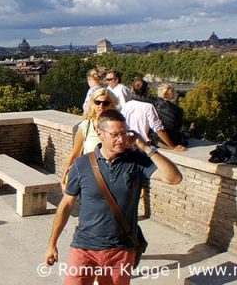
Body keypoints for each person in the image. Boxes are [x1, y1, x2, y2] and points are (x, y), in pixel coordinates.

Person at [44, 110, 182, 284]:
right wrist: (52, 244)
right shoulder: (82, 165)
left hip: (120, 250)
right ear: (100, 133)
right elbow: (65, 206)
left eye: (124, 133)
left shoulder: (137, 161)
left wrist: (146, 148)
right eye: (115, 134)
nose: (121, 139)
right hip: (84, 247)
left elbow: (174, 178)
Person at [63, 88, 121, 186]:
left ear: (112, 105)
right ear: (93, 104)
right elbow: (75, 153)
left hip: (113, 179)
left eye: (105, 103)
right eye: (97, 102)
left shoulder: (118, 127)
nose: (101, 106)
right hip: (89, 179)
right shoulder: (86, 126)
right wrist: (65, 176)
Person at [121, 79, 185, 151]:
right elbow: (158, 129)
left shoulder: (126, 105)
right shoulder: (148, 107)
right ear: (147, 90)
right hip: (143, 143)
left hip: (128, 141)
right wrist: (172, 146)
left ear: (132, 89)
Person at [153, 84, 186, 148]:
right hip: (174, 141)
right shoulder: (179, 110)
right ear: (173, 95)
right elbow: (178, 127)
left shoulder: (154, 104)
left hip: (158, 140)